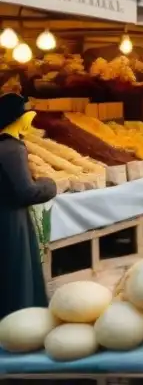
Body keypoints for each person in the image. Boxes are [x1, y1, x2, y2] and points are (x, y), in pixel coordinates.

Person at [0, 94, 56, 318]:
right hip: (12, 219)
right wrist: (48, 185)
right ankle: (22, 320)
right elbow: (26, 192)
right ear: (19, 119)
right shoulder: (12, 149)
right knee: (18, 271)